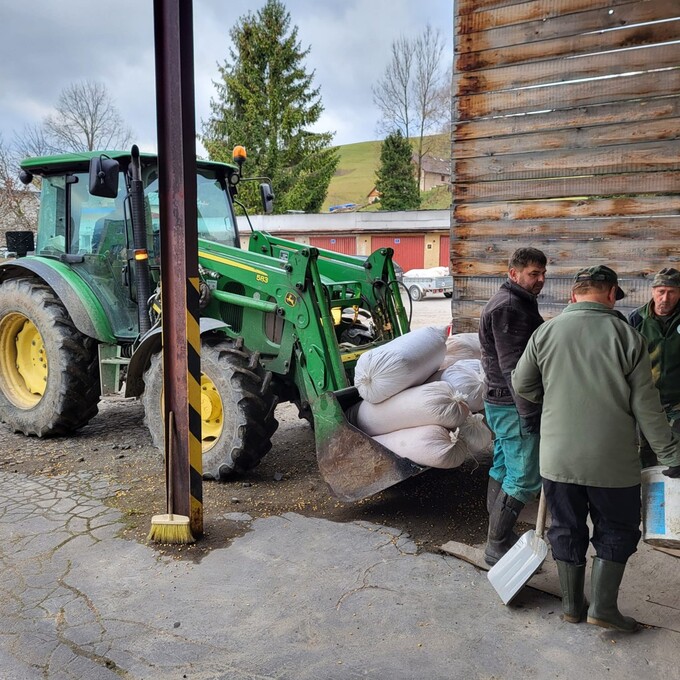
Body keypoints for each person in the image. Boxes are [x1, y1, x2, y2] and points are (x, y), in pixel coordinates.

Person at [512, 265, 680, 633]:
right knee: (616, 528)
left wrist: (552, 400)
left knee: (566, 528)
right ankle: (603, 608)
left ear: (574, 295)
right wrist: (670, 456)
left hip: (557, 458)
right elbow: (647, 408)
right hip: (612, 461)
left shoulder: (546, 332)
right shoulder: (627, 336)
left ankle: (572, 605)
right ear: (611, 294)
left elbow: (521, 383)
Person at [478, 247, 546, 566]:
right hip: (512, 404)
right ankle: (497, 545)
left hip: (500, 401)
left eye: (543, 273)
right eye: (534, 273)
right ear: (513, 274)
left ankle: (495, 536)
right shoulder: (510, 307)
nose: (540, 279)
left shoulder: (516, 302)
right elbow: (514, 369)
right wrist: (529, 412)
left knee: (504, 467)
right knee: (524, 477)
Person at [628, 267, 680, 467]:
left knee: (675, 454)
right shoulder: (637, 318)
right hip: (647, 400)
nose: (665, 298)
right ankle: (648, 496)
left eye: (672, 292)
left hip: (677, 402)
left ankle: (674, 496)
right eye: (661, 291)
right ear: (652, 291)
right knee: (646, 452)